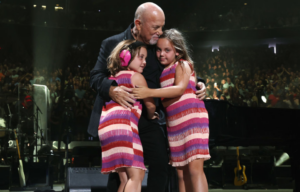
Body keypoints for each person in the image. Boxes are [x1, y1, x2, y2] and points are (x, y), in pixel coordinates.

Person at [88, 3, 206, 191]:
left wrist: (198, 82)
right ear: (138, 23)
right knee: (121, 174)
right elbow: (95, 76)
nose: (160, 32)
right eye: (155, 27)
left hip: (147, 118)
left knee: (160, 165)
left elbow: (176, 65)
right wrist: (112, 90)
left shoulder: (156, 46)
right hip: (121, 117)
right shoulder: (112, 43)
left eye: (162, 26)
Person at [133, 29, 210, 192]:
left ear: (178, 51)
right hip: (174, 125)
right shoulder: (163, 73)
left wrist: (149, 92)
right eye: (159, 50)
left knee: (195, 171)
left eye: (167, 50)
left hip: (192, 121)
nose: (161, 54)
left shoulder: (182, 64)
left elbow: (179, 89)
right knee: (181, 174)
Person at [99, 40, 157, 192]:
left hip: (106, 130)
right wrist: (151, 115)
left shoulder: (111, 79)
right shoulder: (136, 77)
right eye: (141, 57)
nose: (144, 62)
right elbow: (150, 105)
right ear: (125, 56)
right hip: (125, 129)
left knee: (125, 179)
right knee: (137, 175)